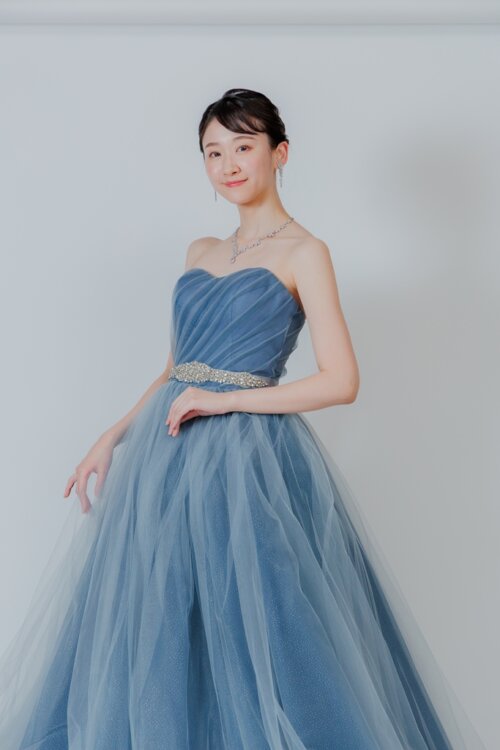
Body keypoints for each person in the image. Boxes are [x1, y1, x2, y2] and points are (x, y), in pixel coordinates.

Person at [0, 87, 487, 750]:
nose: (228, 164)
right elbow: (175, 369)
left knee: (262, 626)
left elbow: (341, 380)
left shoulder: (305, 252)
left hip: (245, 463)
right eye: (213, 151)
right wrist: (113, 435)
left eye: (243, 146)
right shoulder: (200, 250)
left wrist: (226, 400)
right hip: (165, 458)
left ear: (279, 153)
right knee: (159, 626)